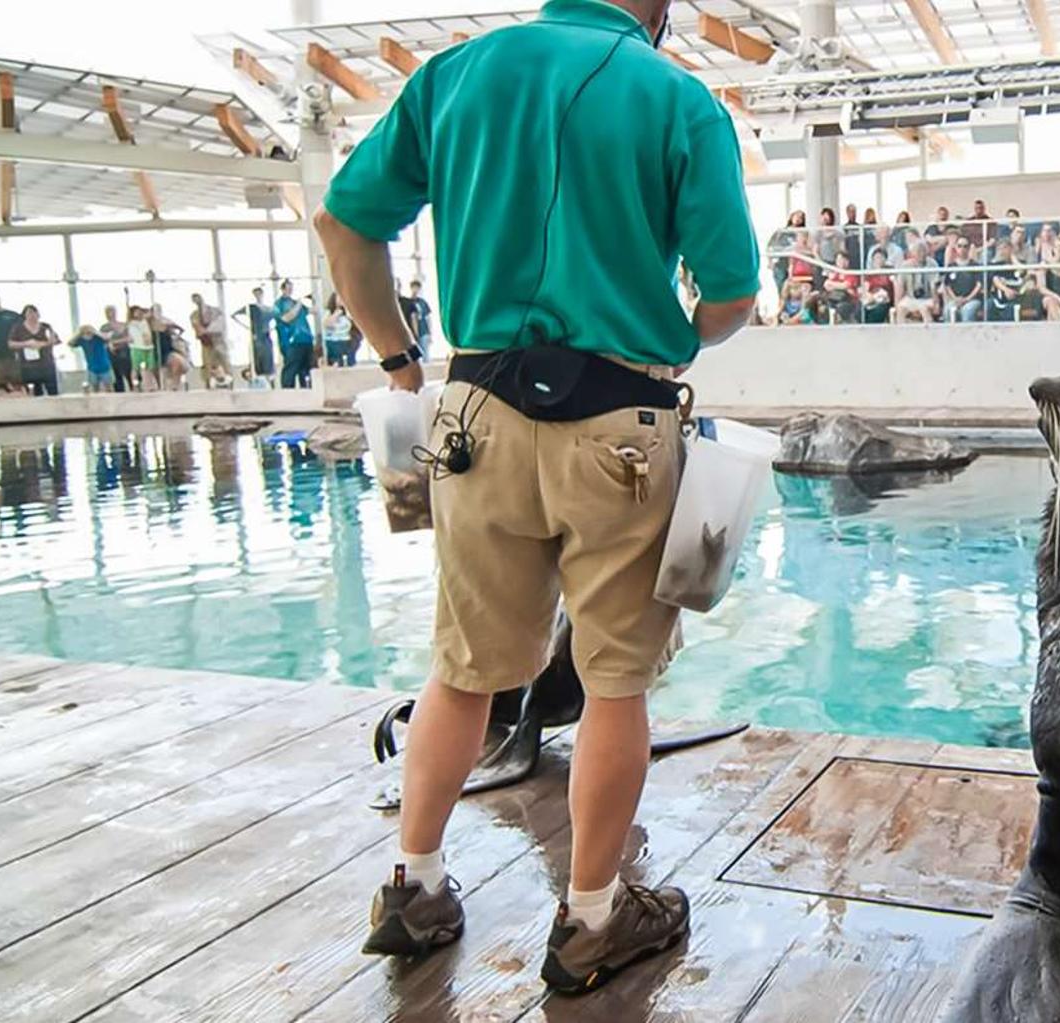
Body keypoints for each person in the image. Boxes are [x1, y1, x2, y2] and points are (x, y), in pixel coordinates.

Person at [312, 0, 760, 990]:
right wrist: (675, 337)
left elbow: (344, 224)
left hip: (473, 412)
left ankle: (413, 888)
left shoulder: (456, 74)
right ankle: (595, 918)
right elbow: (730, 292)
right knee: (615, 683)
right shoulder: (676, 97)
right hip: (621, 425)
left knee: (463, 669)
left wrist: (398, 364)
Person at [9, 304, 61, 396]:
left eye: (34, 313)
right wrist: (26, 344)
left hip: (46, 365)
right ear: (24, 315)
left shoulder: (46, 326)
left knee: (53, 392)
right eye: (29, 313)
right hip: (28, 366)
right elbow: (11, 344)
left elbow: (56, 340)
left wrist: (42, 344)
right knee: (34, 393)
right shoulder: (18, 328)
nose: (32, 316)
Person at [233, 287, 279, 383]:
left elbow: (280, 318)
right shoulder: (251, 308)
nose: (258, 296)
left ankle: (269, 381)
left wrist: (273, 328)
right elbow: (234, 315)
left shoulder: (269, 309)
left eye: (260, 294)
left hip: (266, 336)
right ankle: (259, 379)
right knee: (257, 360)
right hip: (256, 337)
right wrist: (247, 327)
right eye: (256, 294)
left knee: (268, 360)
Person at [191, 293, 234, 388]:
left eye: (198, 298)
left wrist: (208, 330)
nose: (197, 301)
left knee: (224, 360)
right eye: (194, 300)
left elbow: (221, 324)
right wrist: (202, 332)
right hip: (206, 343)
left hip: (218, 341)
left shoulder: (215, 311)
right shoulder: (194, 315)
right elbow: (197, 328)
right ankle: (209, 383)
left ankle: (229, 381)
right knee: (208, 363)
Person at [275, 281, 312, 388]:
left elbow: (311, 311)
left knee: (305, 369)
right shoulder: (279, 304)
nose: (290, 290)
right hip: (291, 341)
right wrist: (298, 305)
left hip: (305, 339)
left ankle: (306, 390)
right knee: (291, 369)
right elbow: (286, 318)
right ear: (282, 289)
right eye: (287, 288)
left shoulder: (296, 303)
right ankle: (288, 392)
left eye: (291, 288)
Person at [151, 302, 191, 390]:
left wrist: (176, 336)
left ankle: (175, 385)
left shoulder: (166, 322)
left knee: (177, 362)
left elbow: (180, 329)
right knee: (152, 367)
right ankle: (158, 386)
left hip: (167, 349)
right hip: (153, 350)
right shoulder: (149, 323)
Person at [893, 251, 938, 323]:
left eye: (922, 252)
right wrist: (897, 304)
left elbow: (934, 287)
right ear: (912, 254)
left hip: (926, 298)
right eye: (918, 253)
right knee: (901, 309)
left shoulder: (932, 264)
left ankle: (929, 332)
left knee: (924, 309)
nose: (921, 255)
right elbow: (900, 287)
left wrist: (936, 304)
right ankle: (901, 333)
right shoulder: (905, 266)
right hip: (910, 298)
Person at [100, 306, 133, 393]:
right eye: (108, 312)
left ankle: (134, 389)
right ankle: (119, 392)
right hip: (112, 353)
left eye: (112, 311)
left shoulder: (123, 325)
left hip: (124, 351)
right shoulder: (104, 327)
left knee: (128, 372)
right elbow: (104, 340)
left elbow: (130, 338)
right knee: (116, 375)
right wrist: (112, 343)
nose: (111, 314)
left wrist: (115, 342)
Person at [73, 324, 114, 392]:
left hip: (104, 367)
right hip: (92, 369)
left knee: (108, 388)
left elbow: (107, 337)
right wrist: (79, 334)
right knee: (95, 389)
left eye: (88, 332)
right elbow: (70, 343)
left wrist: (94, 331)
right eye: (85, 333)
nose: (87, 334)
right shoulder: (82, 340)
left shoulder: (98, 338)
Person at [126, 306, 158, 391]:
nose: (139, 313)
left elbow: (149, 314)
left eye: (140, 312)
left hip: (148, 347)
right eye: (136, 312)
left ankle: (149, 385)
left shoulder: (145, 321)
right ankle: (135, 384)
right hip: (137, 347)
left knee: (149, 367)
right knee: (136, 368)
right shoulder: (132, 323)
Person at [860, 250, 894, 324]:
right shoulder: (869, 274)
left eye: (880, 257)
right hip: (870, 298)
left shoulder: (890, 271)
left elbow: (892, 287)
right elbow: (865, 288)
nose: (878, 260)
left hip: (884, 300)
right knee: (860, 309)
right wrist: (869, 296)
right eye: (875, 258)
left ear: (885, 259)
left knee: (879, 310)